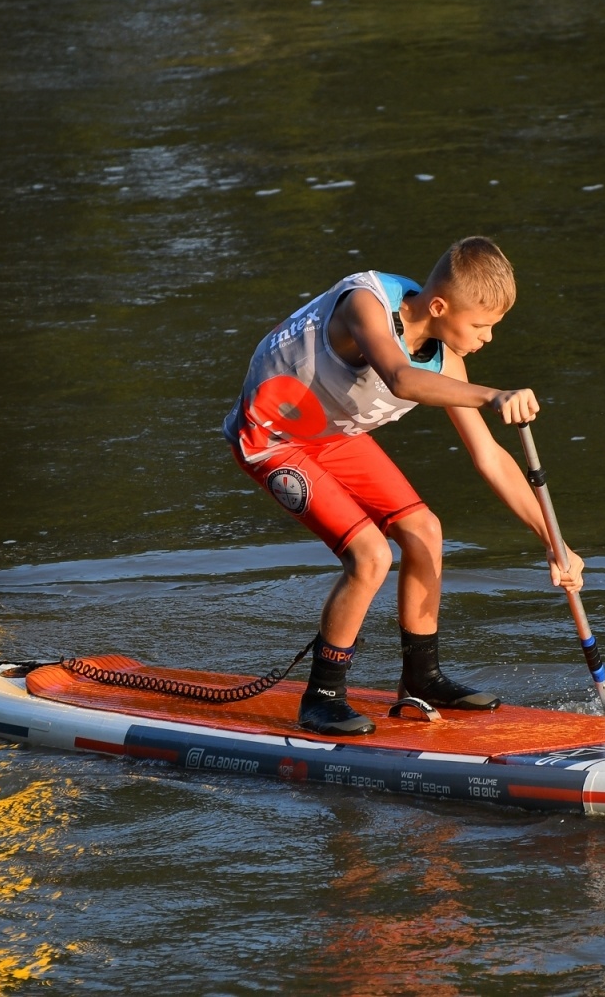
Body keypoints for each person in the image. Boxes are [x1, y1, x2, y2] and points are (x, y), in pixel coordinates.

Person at [223, 236, 585, 735]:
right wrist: (492, 394)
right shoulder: (365, 303)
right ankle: (322, 695)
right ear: (439, 306)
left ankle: (422, 679)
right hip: (272, 436)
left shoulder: (446, 360)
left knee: (425, 530)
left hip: (332, 434)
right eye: (481, 326)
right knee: (371, 556)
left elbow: (490, 458)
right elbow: (398, 378)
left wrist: (555, 543)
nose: (489, 339)